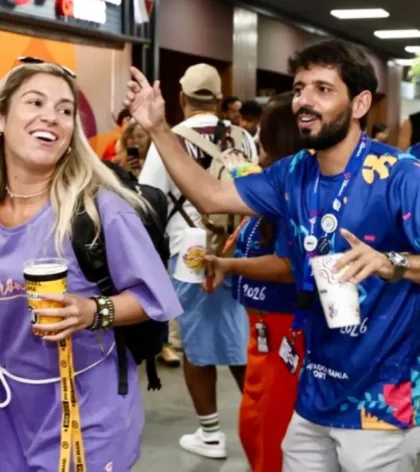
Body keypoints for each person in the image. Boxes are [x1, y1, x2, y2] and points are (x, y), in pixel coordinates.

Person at [125, 39, 420, 471]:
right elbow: (211, 195)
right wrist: (157, 128)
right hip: (315, 392)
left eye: (323, 89)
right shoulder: (293, 172)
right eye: (300, 88)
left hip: (382, 405)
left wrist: (392, 263)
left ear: (359, 104)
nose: (304, 101)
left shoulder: (401, 176)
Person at [0, 59, 183, 470]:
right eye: (35, 102)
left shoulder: (98, 210)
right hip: (13, 410)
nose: (51, 116)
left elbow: (155, 296)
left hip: (91, 412)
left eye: (65, 110)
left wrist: (92, 311)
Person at [139, 62, 257, 459]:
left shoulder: (169, 138)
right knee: (242, 340)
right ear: (220, 99)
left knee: (195, 342)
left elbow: (150, 198)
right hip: (239, 252)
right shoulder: (243, 137)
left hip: (190, 252)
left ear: (182, 97)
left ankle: (210, 433)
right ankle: (260, 425)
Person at [204, 92, 305, 472]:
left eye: (264, 134)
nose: (257, 140)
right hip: (260, 329)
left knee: (271, 430)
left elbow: (290, 265)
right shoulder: (266, 183)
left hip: (286, 329)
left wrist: (230, 265)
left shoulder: (293, 192)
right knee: (255, 425)